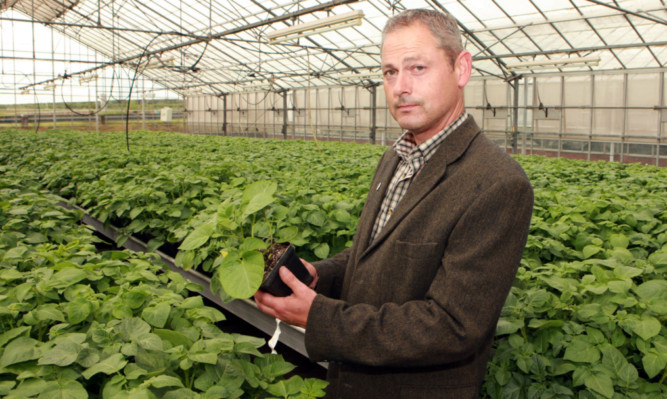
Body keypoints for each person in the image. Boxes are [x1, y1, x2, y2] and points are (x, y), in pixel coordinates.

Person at [254, 8, 533, 399]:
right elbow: (373, 256)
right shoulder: (397, 157)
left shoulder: (497, 183)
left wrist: (320, 317)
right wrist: (321, 274)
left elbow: (452, 327)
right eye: (389, 72)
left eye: (417, 67)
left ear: (461, 69)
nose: (400, 86)